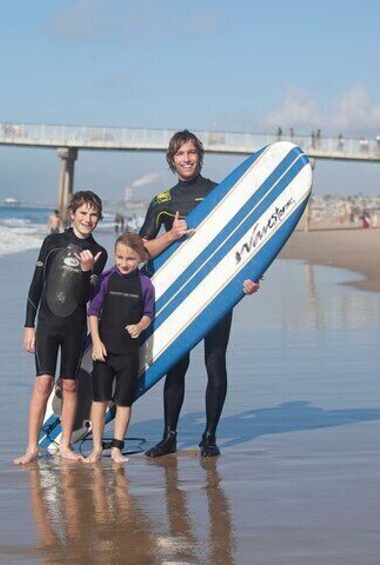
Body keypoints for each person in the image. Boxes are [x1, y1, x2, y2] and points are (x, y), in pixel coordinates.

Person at [139, 130, 260, 459]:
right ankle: (169, 437)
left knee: (215, 364)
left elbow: (248, 241)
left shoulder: (221, 194)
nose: (187, 158)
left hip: (219, 288)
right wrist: (171, 237)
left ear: (200, 156)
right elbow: (138, 251)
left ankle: (209, 436)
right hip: (177, 293)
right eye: (180, 153)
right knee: (176, 366)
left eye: (192, 152)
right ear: (171, 159)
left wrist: (253, 278)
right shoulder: (163, 202)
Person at [14, 191, 108, 465]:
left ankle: (65, 445)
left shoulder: (99, 252)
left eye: (93, 215)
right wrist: (28, 325)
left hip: (74, 326)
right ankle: (32, 447)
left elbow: (90, 297)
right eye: (83, 213)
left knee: (70, 384)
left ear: (98, 219)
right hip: (47, 323)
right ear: (72, 214)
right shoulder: (53, 242)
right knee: (43, 383)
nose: (88, 219)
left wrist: (89, 271)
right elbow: (36, 285)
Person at [84, 233, 155, 464]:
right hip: (104, 351)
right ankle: (96, 448)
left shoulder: (145, 284)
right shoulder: (106, 279)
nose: (124, 263)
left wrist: (140, 325)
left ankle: (116, 448)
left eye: (130, 259)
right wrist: (96, 342)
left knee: (124, 401)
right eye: (120, 257)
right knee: (99, 400)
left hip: (128, 354)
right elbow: (93, 312)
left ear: (141, 258)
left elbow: (148, 314)